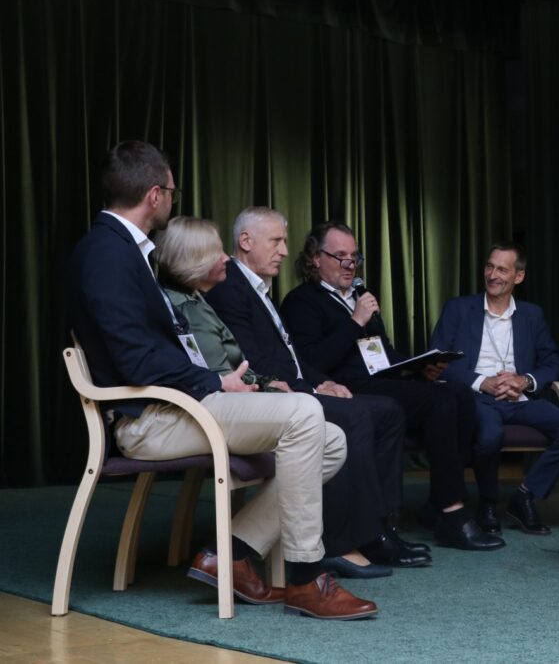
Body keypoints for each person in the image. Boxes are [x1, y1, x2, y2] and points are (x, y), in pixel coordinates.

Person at [67, 141, 374, 619]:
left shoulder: (125, 250)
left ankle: (229, 553)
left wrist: (218, 381)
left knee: (331, 440)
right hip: (150, 417)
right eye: (171, 191)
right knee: (304, 411)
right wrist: (214, 381)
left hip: (176, 403)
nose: (172, 200)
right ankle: (306, 578)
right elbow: (136, 360)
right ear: (154, 195)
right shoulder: (106, 252)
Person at [156, 215, 427, 579]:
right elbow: (245, 363)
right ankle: (337, 545)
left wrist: (318, 383)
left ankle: (379, 528)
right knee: (351, 419)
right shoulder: (226, 290)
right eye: (276, 241)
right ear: (247, 241)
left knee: (385, 411)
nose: (285, 251)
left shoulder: (236, 291)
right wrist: (297, 387)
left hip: (265, 393)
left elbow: (289, 357)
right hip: (233, 403)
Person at [280, 221, 504, 551]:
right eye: (340, 256)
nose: (350, 264)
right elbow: (313, 362)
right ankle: (452, 513)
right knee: (439, 401)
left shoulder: (360, 297)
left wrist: (421, 366)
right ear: (315, 258)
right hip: (347, 390)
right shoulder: (302, 301)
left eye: (354, 256)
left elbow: (382, 355)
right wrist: (355, 321)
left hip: (382, 382)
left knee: (457, 392)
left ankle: (438, 504)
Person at [428, 243, 559, 535]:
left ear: (519, 276)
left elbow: (553, 362)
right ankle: (488, 502)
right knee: (490, 435)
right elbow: (435, 362)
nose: (493, 275)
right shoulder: (459, 308)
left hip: (519, 399)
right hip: (476, 398)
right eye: (489, 267)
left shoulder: (531, 315)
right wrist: (482, 382)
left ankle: (524, 496)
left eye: (502, 269)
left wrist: (524, 380)